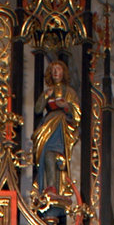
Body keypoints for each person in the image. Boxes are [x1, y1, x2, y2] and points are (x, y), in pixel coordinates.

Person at [33, 57, 81, 198]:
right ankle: (49, 187)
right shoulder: (48, 91)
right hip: (48, 125)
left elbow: (77, 112)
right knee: (46, 155)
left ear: (63, 72)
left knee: (53, 155)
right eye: (53, 70)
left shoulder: (70, 92)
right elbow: (37, 109)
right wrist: (45, 97)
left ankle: (55, 187)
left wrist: (66, 106)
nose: (55, 72)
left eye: (58, 69)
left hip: (61, 124)